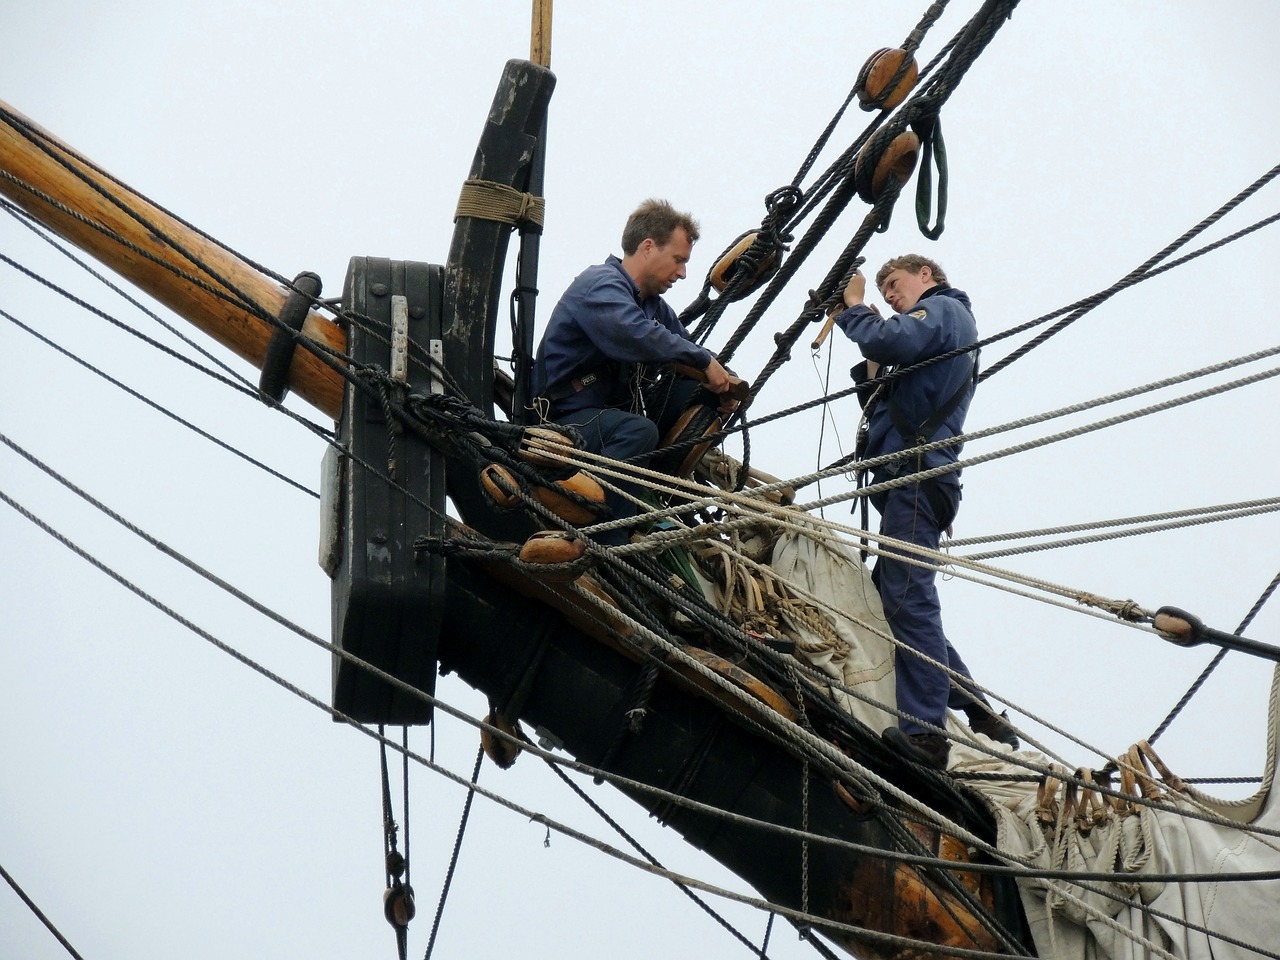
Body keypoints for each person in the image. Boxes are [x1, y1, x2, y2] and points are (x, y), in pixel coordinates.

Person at [832, 254, 1017, 770]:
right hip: (908, 483)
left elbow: (889, 339)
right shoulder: (929, 333)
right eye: (885, 290)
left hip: (917, 480)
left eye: (896, 285)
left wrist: (853, 307)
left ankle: (927, 734)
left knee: (907, 597)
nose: (890, 295)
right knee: (892, 598)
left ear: (927, 277)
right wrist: (862, 321)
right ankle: (975, 704)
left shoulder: (944, 313)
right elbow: (882, 390)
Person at [533, 199, 734, 544]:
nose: (683, 273)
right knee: (639, 432)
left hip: (603, 418)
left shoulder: (653, 306)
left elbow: (686, 348)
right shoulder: (599, 285)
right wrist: (704, 364)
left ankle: (643, 503)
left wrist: (726, 383)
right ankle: (598, 528)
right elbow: (633, 333)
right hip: (565, 420)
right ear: (647, 247)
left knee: (695, 392)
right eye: (679, 260)